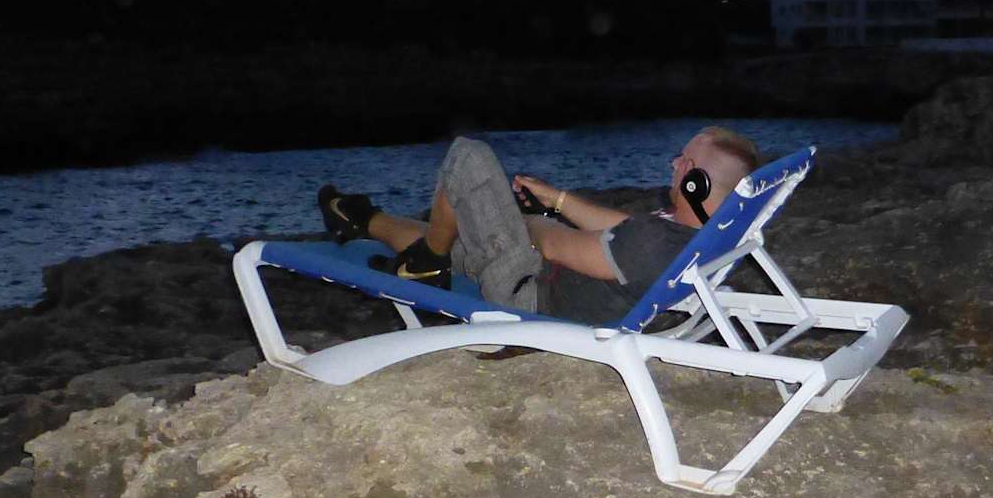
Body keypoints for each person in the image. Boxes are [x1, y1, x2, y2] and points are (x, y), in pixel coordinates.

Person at [317, 126, 762, 326]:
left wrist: (525, 219)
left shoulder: (650, 246)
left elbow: (554, 246)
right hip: (543, 276)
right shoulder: (703, 232)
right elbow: (626, 225)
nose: (674, 164)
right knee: (458, 231)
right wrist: (557, 199)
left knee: (468, 157)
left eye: (684, 162)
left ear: (697, 182)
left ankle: (426, 264)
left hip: (527, 292)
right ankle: (360, 219)